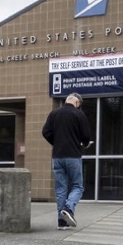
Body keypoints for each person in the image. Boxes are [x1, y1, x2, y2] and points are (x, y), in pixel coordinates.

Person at [41, 92, 92, 229]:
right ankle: (69, 208)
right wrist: (84, 144)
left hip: (57, 156)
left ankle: (62, 222)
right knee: (77, 186)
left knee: (61, 189)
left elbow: (45, 132)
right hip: (73, 156)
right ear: (77, 103)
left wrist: (56, 142)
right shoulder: (78, 114)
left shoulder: (54, 114)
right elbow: (86, 136)